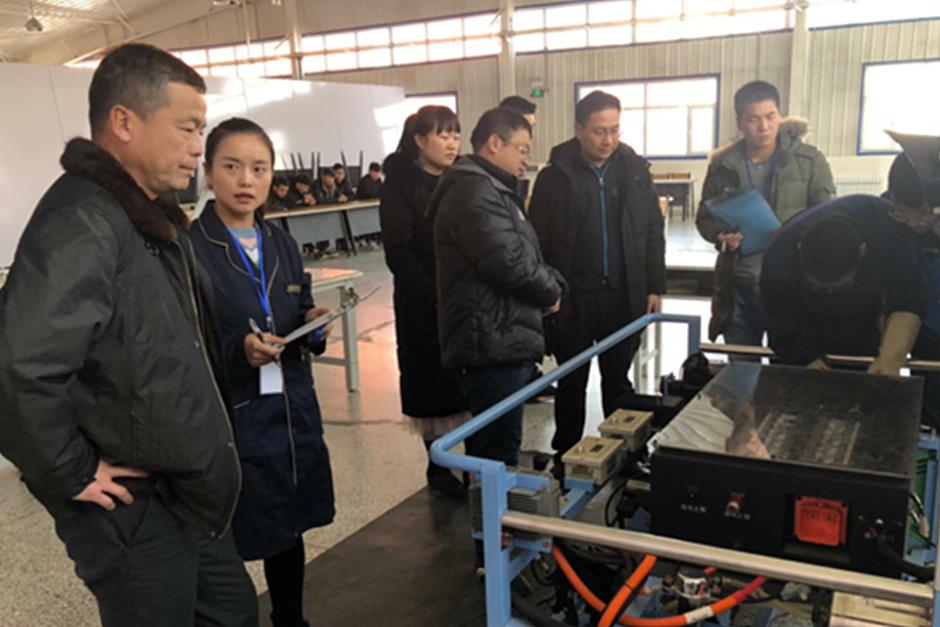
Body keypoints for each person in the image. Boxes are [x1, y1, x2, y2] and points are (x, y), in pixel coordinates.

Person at [0, 43, 257, 627]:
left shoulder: (146, 216)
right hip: (134, 511)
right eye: (187, 128)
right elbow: (17, 366)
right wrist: (70, 470)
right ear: (124, 122)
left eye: (201, 129)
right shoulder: (83, 221)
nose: (198, 147)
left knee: (233, 612)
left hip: (183, 494)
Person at [188, 117, 336, 627]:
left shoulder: (280, 242)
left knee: (287, 519)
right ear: (209, 172)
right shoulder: (190, 248)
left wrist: (313, 321)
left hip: (289, 404)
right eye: (231, 167)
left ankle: (290, 618)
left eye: (259, 168)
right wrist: (239, 348)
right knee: (230, 524)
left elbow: (298, 305)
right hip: (230, 411)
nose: (246, 180)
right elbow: (183, 335)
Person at [529, 90, 666, 467]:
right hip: (572, 297)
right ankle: (566, 455)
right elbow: (537, 240)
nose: (608, 140)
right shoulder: (554, 178)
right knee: (571, 380)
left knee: (618, 380)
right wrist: (547, 291)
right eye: (599, 131)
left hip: (622, 294)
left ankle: (627, 454)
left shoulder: (635, 172)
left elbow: (652, 231)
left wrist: (655, 286)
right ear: (578, 129)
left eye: (615, 130)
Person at [430, 107, 566, 469]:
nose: (526, 160)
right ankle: (490, 508)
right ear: (494, 143)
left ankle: (489, 504)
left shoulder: (491, 188)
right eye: (521, 149)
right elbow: (509, 262)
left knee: (495, 446)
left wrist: (549, 281)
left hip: (499, 333)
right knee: (496, 453)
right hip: (489, 341)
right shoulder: (474, 191)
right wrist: (551, 291)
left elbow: (521, 253)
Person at [696, 80, 836, 349]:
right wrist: (720, 235)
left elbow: (827, 217)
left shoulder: (809, 161)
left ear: (780, 115)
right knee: (741, 364)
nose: (764, 127)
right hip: (738, 284)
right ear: (740, 122)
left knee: (787, 362)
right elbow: (705, 217)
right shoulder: (723, 166)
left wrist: (797, 235)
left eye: (770, 116)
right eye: (754, 119)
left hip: (790, 284)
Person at [380, 106, 468, 499]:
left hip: (463, 300)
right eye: (443, 135)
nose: (451, 144)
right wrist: (436, 295)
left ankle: (473, 462)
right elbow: (398, 253)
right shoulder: (400, 186)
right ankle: (438, 465)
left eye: (455, 135)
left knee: (467, 381)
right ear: (419, 140)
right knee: (430, 381)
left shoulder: (461, 179)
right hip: (422, 303)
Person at [760, 194, 925, 374]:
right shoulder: (779, 259)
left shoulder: (889, 229)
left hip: (864, 322)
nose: (829, 292)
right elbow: (781, 326)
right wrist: (807, 361)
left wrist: (890, 358)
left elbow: (909, 299)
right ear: (799, 249)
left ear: (862, 252)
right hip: (805, 324)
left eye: (840, 286)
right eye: (817, 286)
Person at [876, 132, 940, 427]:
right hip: (907, 317)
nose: (913, 223)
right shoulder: (883, 215)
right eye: (903, 212)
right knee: (924, 398)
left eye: (924, 214)